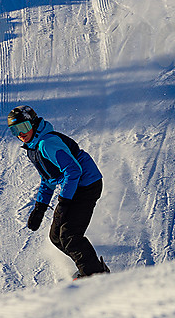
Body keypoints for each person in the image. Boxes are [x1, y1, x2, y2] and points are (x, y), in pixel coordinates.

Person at [7, 105, 109, 279]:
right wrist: (40, 207)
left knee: (69, 235)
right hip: (75, 187)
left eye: (23, 127)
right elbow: (49, 178)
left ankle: (96, 275)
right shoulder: (34, 147)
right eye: (15, 130)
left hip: (86, 185)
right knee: (56, 237)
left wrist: (64, 202)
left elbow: (74, 170)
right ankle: (91, 268)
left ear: (33, 124)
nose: (20, 134)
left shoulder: (47, 143)